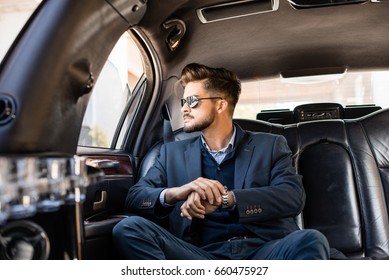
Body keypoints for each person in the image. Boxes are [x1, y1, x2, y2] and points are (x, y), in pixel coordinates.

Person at [112, 63, 330, 260]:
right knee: (129, 228)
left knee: (311, 239)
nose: (184, 109)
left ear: (220, 105)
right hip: (201, 255)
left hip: (265, 251)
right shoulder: (172, 153)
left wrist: (228, 200)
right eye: (183, 102)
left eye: (193, 101)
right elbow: (135, 197)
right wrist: (177, 192)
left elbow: (292, 196)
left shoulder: (270, 145)